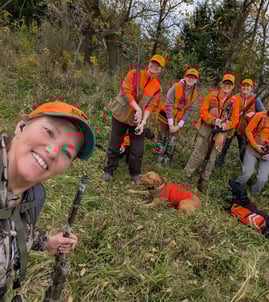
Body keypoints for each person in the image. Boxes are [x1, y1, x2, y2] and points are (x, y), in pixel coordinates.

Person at [0, 101, 96, 300]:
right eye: (49, 132)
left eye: (67, 152)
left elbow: (12, 229)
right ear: (21, 126)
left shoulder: (32, 196)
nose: (53, 152)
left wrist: (47, 242)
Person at [104, 55, 164, 183]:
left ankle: (135, 173)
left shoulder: (157, 86)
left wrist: (143, 122)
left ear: (160, 70)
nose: (154, 66)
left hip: (137, 120)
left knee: (138, 149)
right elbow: (126, 92)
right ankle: (109, 170)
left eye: (157, 65)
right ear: (148, 64)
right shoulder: (133, 74)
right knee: (115, 143)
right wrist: (138, 109)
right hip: (121, 115)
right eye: (153, 63)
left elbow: (151, 105)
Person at [184, 73, 240, 193]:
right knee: (198, 151)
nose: (227, 86)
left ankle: (204, 180)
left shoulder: (235, 101)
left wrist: (224, 125)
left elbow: (235, 119)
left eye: (229, 84)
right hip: (207, 126)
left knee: (212, 157)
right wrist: (213, 120)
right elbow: (203, 110)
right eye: (225, 83)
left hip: (221, 131)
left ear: (233, 87)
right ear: (221, 83)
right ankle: (187, 175)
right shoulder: (211, 95)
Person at [235, 94, 269, 197]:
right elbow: (248, 130)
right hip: (253, 149)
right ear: (268, 103)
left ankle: (253, 194)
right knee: (247, 173)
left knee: (262, 179)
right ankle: (236, 188)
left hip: (268, 153)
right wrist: (255, 145)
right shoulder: (259, 115)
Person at [154, 68, 200, 166]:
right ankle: (158, 157)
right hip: (165, 115)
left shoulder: (195, 94)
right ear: (185, 77)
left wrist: (179, 126)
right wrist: (171, 124)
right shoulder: (176, 87)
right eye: (189, 76)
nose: (191, 79)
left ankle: (167, 159)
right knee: (162, 137)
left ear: (196, 80)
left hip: (178, 120)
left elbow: (188, 111)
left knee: (172, 141)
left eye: (193, 78)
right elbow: (168, 104)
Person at [215, 79, 264, 167]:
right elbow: (226, 110)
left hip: (245, 130)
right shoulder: (235, 97)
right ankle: (217, 165)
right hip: (232, 127)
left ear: (251, 88)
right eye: (243, 85)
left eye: (248, 86)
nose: (245, 87)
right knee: (224, 147)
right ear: (240, 87)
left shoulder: (256, 99)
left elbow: (263, 114)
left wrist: (254, 114)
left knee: (243, 151)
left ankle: (245, 170)